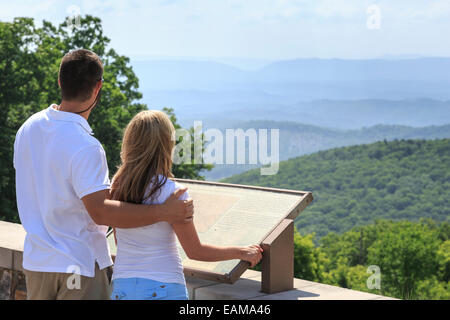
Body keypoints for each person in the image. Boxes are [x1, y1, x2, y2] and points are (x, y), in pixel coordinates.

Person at [13, 49, 194, 300]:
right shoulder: (86, 145)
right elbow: (100, 212)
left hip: (37, 262)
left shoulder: (28, 128)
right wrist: (165, 212)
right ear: (98, 87)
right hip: (79, 264)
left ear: (60, 82)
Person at [109, 110, 263, 300]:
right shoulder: (174, 193)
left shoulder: (116, 187)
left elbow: (118, 239)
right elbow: (195, 251)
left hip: (122, 287)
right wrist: (241, 252)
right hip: (164, 286)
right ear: (167, 145)